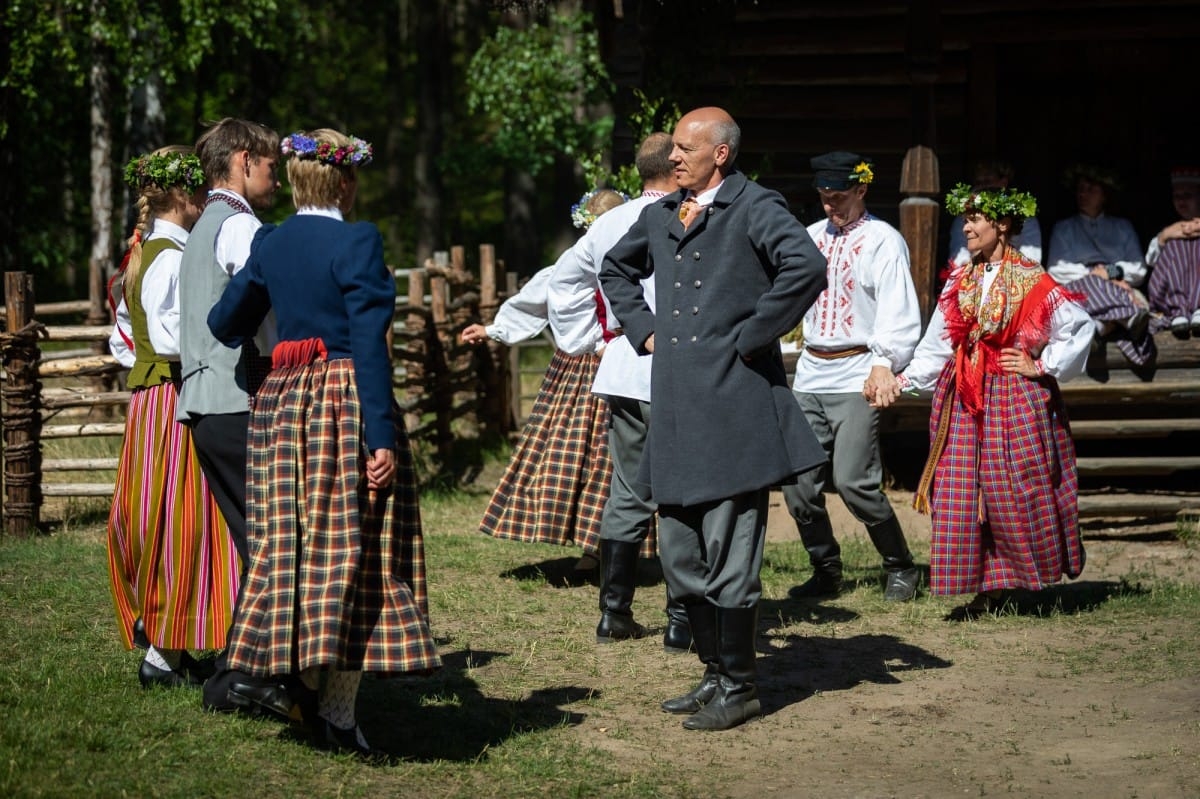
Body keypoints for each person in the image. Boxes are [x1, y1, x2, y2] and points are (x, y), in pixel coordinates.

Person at [207, 128, 441, 755]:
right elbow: (369, 345)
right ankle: (335, 712)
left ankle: (296, 680)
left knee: (294, 543)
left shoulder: (273, 242)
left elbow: (224, 322)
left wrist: (285, 338)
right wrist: (382, 436)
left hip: (282, 406)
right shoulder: (357, 239)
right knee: (356, 547)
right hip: (342, 404)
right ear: (345, 180)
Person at [601, 107, 828, 731]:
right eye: (672, 148)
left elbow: (806, 267)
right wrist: (643, 331)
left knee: (730, 553)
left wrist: (754, 335)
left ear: (719, 154)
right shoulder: (659, 213)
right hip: (675, 408)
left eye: (683, 148)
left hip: (734, 405)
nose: (672, 157)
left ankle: (741, 686)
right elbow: (614, 268)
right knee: (679, 553)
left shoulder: (755, 207)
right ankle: (711, 673)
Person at [873, 182, 1092, 618]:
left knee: (1013, 486)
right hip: (963, 395)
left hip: (1014, 395)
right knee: (958, 487)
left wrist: (1041, 365)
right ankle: (982, 584)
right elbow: (937, 344)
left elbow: (1079, 326)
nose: (966, 228)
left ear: (1004, 224)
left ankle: (1017, 578)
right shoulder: (961, 280)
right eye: (965, 220)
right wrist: (902, 381)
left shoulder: (1034, 280)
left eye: (975, 220)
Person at [545, 132, 689, 649]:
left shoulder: (608, 222)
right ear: (675, 167)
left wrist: (595, 342)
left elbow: (563, 283)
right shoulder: (693, 211)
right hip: (682, 373)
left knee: (628, 492)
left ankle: (614, 613)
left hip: (626, 369)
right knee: (682, 494)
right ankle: (680, 618)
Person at [106, 146, 240, 689]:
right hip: (172, 400)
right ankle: (165, 654)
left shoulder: (148, 251)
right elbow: (164, 337)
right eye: (202, 192)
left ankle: (173, 651)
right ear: (184, 196)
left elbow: (122, 338)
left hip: (152, 400)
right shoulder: (170, 255)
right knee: (181, 518)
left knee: (169, 517)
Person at [461, 190, 649, 573]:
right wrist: (495, 329)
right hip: (582, 368)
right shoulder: (581, 259)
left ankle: (611, 549)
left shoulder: (641, 257)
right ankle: (592, 546)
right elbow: (542, 297)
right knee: (583, 456)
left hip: (630, 364)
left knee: (616, 459)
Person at [175, 118, 292, 719]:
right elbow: (266, 293)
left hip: (204, 402)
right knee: (270, 539)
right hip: (236, 398)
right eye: (271, 167)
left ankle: (239, 671)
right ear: (244, 161)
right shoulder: (240, 226)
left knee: (256, 539)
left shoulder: (203, 225)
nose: (277, 179)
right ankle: (244, 673)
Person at [781, 151, 923, 602]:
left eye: (838, 197)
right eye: (823, 197)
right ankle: (826, 570)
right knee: (798, 484)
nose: (829, 206)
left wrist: (884, 362)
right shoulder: (808, 238)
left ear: (861, 190)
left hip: (857, 372)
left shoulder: (883, 240)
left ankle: (901, 566)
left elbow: (898, 307)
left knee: (853, 481)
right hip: (810, 375)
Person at [1046, 164, 1154, 367]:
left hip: (1119, 284)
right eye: (1080, 189)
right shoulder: (1064, 229)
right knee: (1079, 298)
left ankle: (1095, 328)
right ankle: (1126, 317)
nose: (1083, 194)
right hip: (1078, 289)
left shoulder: (1122, 227)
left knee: (1134, 300)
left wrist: (1110, 273)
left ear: (1104, 195)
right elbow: (1056, 270)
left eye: (1090, 189)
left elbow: (1138, 267)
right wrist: (1095, 275)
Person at [946, 159, 1042, 276]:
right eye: (978, 182)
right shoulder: (964, 218)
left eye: (987, 181)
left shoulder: (1025, 218)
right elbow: (958, 256)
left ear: (1003, 183)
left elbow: (1032, 257)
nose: (982, 187)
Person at [1145, 167, 1200, 338]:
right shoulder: (1172, 230)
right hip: (1175, 305)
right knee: (1175, 244)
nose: (1182, 201)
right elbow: (1150, 260)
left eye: (1187, 196)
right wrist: (1165, 236)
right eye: (1177, 197)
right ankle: (1178, 310)